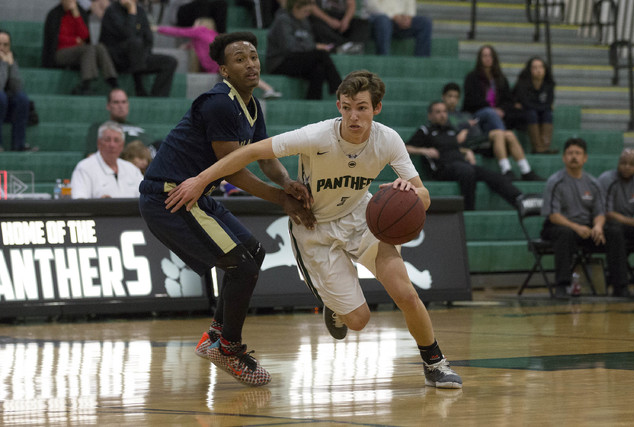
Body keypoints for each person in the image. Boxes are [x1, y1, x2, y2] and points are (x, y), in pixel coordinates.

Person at [165, 70, 463, 389]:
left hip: (362, 217)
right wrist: (201, 179)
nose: (353, 115)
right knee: (359, 321)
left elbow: (425, 197)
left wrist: (410, 191)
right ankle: (333, 305)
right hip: (315, 228)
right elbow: (250, 152)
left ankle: (434, 364)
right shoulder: (316, 136)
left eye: (362, 107)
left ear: (377, 109)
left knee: (405, 292)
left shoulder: (387, 139)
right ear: (338, 105)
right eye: (347, 107)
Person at [138, 32, 315, 387]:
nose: (250, 63)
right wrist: (281, 199)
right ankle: (228, 348)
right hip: (170, 197)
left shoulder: (251, 104)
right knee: (242, 266)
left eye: (253, 56)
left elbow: (263, 157)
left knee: (254, 252)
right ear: (223, 69)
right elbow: (233, 167)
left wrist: (286, 182)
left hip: (195, 193)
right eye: (239, 59)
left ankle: (216, 336)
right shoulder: (219, 102)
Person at [541, 138, 630, 298]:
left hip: (586, 228)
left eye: (578, 153)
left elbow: (600, 213)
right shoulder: (555, 181)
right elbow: (554, 216)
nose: (573, 157)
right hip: (560, 226)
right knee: (564, 233)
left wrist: (597, 227)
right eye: (570, 153)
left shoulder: (593, 183)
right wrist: (575, 227)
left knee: (615, 231)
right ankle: (562, 286)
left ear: (585, 158)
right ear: (564, 157)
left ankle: (620, 286)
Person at [406, 101, 522, 211]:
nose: (442, 115)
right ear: (430, 115)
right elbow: (406, 147)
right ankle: (468, 210)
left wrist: (466, 151)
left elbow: (450, 147)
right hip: (442, 168)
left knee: (492, 175)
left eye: (444, 112)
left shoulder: (451, 130)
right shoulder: (425, 130)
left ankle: (519, 199)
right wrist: (424, 150)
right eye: (438, 112)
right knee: (466, 171)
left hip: (461, 164)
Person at [463, 45, 542, 181]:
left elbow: (508, 100)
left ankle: (525, 170)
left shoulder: (500, 78)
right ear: (479, 58)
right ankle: (506, 167)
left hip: (494, 122)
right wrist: (492, 109)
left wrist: (502, 110)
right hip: (477, 117)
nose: (488, 58)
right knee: (490, 113)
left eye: (490, 55)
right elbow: (470, 101)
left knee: (508, 134)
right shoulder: (472, 77)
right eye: (484, 55)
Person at [153, 18, 282, 99]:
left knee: (241, 76)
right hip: (221, 63)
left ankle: (267, 89)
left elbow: (178, 32)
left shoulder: (200, 31)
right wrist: (186, 46)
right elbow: (200, 45)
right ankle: (266, 89)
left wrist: (157, 28)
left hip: (219, 64)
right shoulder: (212, 34)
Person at [442, 82, 543, 181]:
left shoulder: (465, 114)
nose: (452, 100)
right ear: (443, 97)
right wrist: (465, 127)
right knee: (498, 133)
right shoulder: (442, 115)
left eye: (455, 97)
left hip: (478, 139)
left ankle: (526, 170)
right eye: (449, 96)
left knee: (509, 134)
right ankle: (506, 170)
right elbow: (445, 133)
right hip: (467, 143)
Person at [99, 0, 178, 97]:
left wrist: (143, 54)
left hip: (139, 58)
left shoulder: (140, 11)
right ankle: (139, 85)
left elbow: (148, 39)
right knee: (135, 43)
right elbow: (127, 34)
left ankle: (157, 98)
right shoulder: (112, 11)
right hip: (117, 59)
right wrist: (131, 13)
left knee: (170, 62)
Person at [266, 0, 342, 100]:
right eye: (305, 11)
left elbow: (308, 42)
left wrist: (312, 46)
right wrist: (314, 47)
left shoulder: (304, 21)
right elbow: (289, 47)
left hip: (297, 59)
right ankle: (339, 87)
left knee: (319, 70)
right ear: (295, 7)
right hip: (279, 62)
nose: (307, 14)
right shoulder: (282, 20)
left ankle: (312, 102)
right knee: (321, 54)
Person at [42, 0, 120, 96]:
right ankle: (86, 83)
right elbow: (56, 38)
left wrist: (76, 15)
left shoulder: (80, 12)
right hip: (60, 52)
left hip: (78, 51)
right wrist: (75, 41)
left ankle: (112, 80)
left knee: (100, 47)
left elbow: (85, 35)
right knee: (88, 49)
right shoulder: (54, 14)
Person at [598, 148, 634, 296]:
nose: (627, 167)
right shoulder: (607, 179)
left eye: (632, 164)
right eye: (623, 163)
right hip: (606, 225)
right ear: (618, 163)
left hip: (628, 225)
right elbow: (606, 213)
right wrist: (633, 222)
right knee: (615, 231)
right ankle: (620, 286)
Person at [71, 121, 144, 198]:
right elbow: (79, 201)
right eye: (107, 140)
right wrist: (100, 204)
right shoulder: (84, 168)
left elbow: (145, 198)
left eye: (116, 140)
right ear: (99, 143)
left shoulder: (132, 169)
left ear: (122, 145)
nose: (112, 145)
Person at [84, 88, 156, 157]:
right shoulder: (99, 127)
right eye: (116, 102)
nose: (121, 106)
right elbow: (91, 156)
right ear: (108, 106)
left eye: (124, 102)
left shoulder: (138, 128)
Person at [513, 56, 557, 154]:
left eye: (541, 67)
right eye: (535, 67)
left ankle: (545, 147)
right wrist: (540, 107)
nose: (538, 70)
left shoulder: (549, 84)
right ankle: (538, 148)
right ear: (530, 70)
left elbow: (549, 102)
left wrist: (541, 108)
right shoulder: (522, 84)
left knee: (548, 114)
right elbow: (526, 103)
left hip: (541, 111)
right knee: (532, 113)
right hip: (523, 113)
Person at [363, 0, 432, 57]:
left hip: (399, 22)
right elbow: (372, 6)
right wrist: (394, 16)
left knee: (425, 22)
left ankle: (422, 58)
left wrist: (408, 17)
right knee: (383, 20)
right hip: (376, 20)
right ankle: (383, 56)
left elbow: (410, 5)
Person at [0, 29, 31, 152]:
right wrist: (2, 65)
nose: (2, 48)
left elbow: (17, 87)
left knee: (22, 99)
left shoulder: (10, 59)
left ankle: (19, 145)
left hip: (4, 105)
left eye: (5, 45)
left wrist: (11, 65)